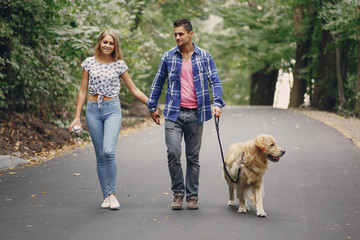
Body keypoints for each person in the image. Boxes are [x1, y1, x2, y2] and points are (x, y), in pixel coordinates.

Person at [68, 30, 153, 210]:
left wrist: (151, 104)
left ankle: (113, 194)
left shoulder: (119, 65)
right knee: (100, 155)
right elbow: (83, 91)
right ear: (99, 43)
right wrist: (77, 117)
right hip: (92, 110)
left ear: (115, 46)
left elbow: (134, 89)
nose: (107, 46)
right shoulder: (89, 63)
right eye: (104, 42)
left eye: (111, 43)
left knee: (108, 151)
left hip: (112, 109)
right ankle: (105, 195)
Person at [147, 18, 225, 210]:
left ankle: (192, 197)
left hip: (196, 115)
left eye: (180, 34)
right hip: (174, 113)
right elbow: (158, 82)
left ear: (191, 34)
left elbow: (215, 81)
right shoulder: (168, 56)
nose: (177, 37)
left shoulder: (205, 56)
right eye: (175, 34)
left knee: (193, 157)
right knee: (173, 153)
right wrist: (152, 106)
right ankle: (178, 194)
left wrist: (217, 103)